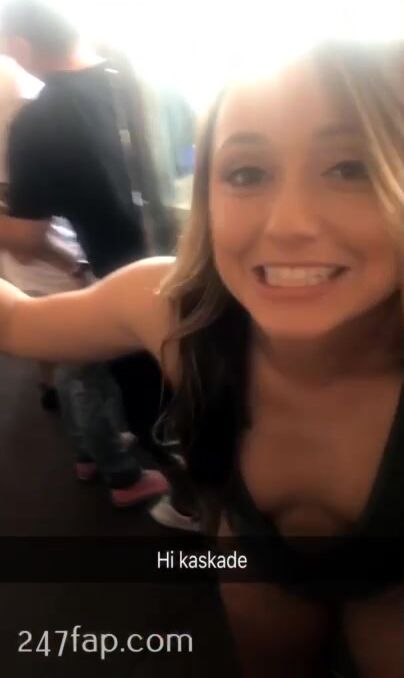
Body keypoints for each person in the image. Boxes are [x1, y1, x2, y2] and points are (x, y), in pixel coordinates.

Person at [1, 39, 404, 676]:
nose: (288, 224)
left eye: (349, 167)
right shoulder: (176, 313)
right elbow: (16, 321)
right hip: (250, 559)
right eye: (246, 174)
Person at [0, 0, 171, 506]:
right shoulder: (139, 83)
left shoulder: (39, 122)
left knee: (131, 391)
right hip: (179, 256)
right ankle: (100, 456)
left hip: (117, 275)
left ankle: (182, 503)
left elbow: (26, 239)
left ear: (20, 47)